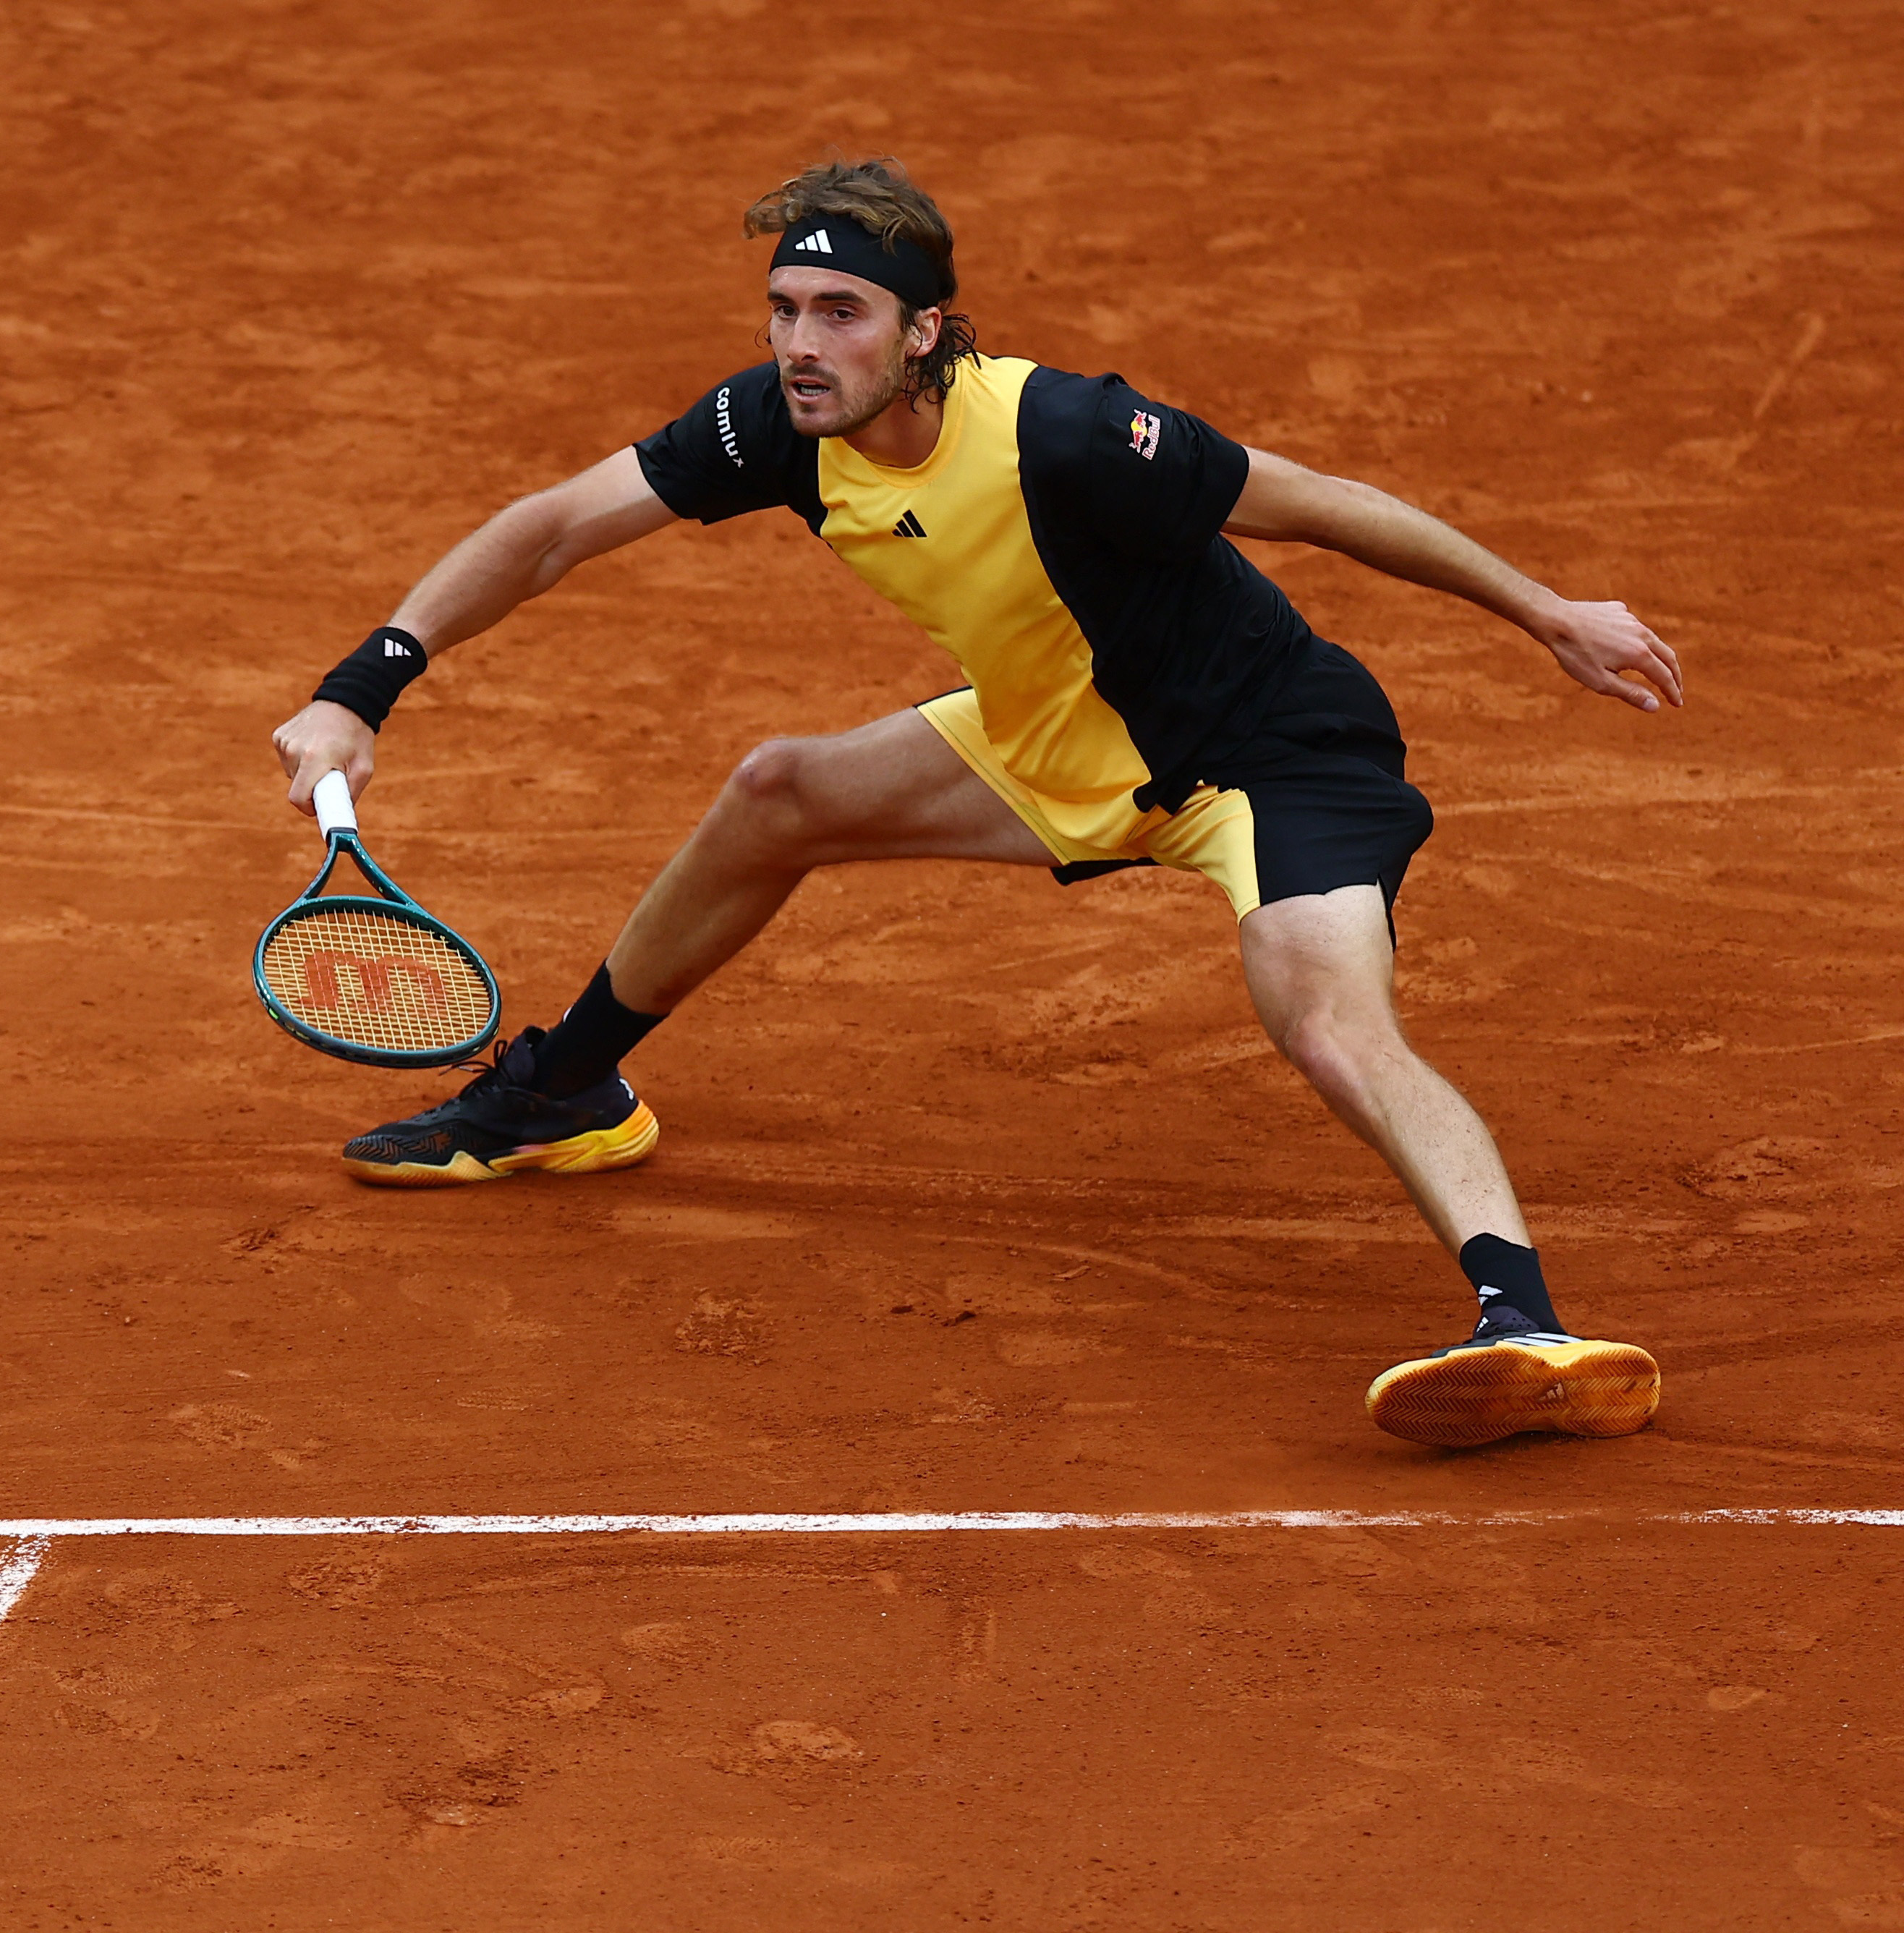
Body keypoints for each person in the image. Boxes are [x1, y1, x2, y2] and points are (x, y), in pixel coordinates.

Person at [268, 158, 1678, 1450]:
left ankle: (1525, 1325)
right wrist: (360, 687)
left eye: (841, 313)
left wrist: (1543, 609)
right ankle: (567, 1089)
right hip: (1050, 730)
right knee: (777, 793)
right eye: (784, 309)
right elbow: (553, 527)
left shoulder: (1067, 432)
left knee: (1323, 1019)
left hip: (1264, 753)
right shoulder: (773, 427)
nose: (801, 344)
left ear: (923, 332)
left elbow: (1310, 499)